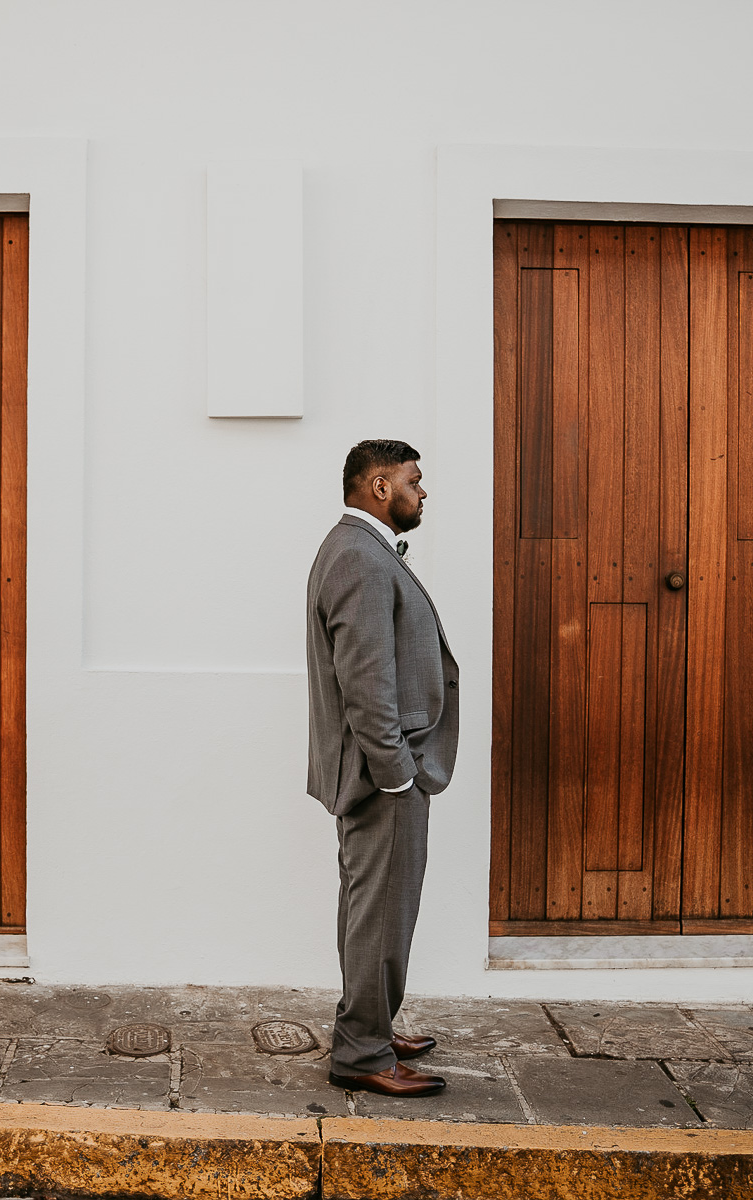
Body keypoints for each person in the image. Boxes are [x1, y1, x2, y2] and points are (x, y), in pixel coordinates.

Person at [304, 439, 460, 1098]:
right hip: (383, 777)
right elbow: (366, 683)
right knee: (380, 915)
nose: (422, 493)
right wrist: (398, 775)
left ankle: (366, 1026)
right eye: (413, 481)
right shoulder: (362, 560)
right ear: (377, 487)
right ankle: (363, 1054)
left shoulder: (357, 552)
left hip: (378, 771)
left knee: (370, 912)